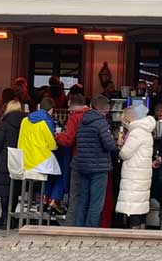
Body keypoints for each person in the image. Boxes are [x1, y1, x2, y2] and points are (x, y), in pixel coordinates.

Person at [73, 96, 118, 227]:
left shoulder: (82, 121)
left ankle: (79, 227)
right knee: (96, 202)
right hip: (99, 167)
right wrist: (117, 144)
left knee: (83, 200)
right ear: (106, 109)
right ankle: (91, 229)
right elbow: (109, 145)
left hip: (83, 165)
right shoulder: (101, 123)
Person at [115, 104, 156, 229]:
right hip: (142, 173)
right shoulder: (146, 130)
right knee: (140, 205)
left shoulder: (136, 132)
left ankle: (134, 235)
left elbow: (125, 154)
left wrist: (119, 145)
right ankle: (141, 232)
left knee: (133, 206)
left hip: (133, 174)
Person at [0, 100, 24, 229]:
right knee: (14, 191)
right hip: (19, 159)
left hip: (4, 159)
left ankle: (4, 218)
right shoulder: (25, 123)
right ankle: (11, 218)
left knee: (4, 191)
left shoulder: (4, 124)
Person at [57, 97, 90, 225]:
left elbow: (69, 140)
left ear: (72, 107)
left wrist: (57, 136)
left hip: (78, 158)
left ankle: (71, 224)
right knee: (87, 194)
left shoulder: (74, 117)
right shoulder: (94, 115)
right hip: (94, 160)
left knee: (75, 194)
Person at [18, 98, 59, 175]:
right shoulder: (46, 121)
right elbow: (52, 145)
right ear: (51, 110)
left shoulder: (25, 120)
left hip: (24, 161)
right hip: (40, 162)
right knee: (58, 170)